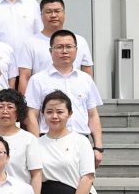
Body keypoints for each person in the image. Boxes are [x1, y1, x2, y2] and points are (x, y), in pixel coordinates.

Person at [24, 30, 105, 163]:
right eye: (59, 47)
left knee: (84, 176)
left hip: (81, 141)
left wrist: (98, 147)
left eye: (69, 47)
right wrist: (36, 145)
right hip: (48, 142)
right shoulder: (38, 80)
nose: (64, 51)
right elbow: (31, 115)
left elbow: (92, 115)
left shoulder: (85, 79)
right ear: (50, 51)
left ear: (76, 50)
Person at [0, 89, 35, 183]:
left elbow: (36, 175)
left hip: (20, 191)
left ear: (18, 111)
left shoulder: (29, 139)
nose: (5, 111)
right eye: (0, 107)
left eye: (10, 107)